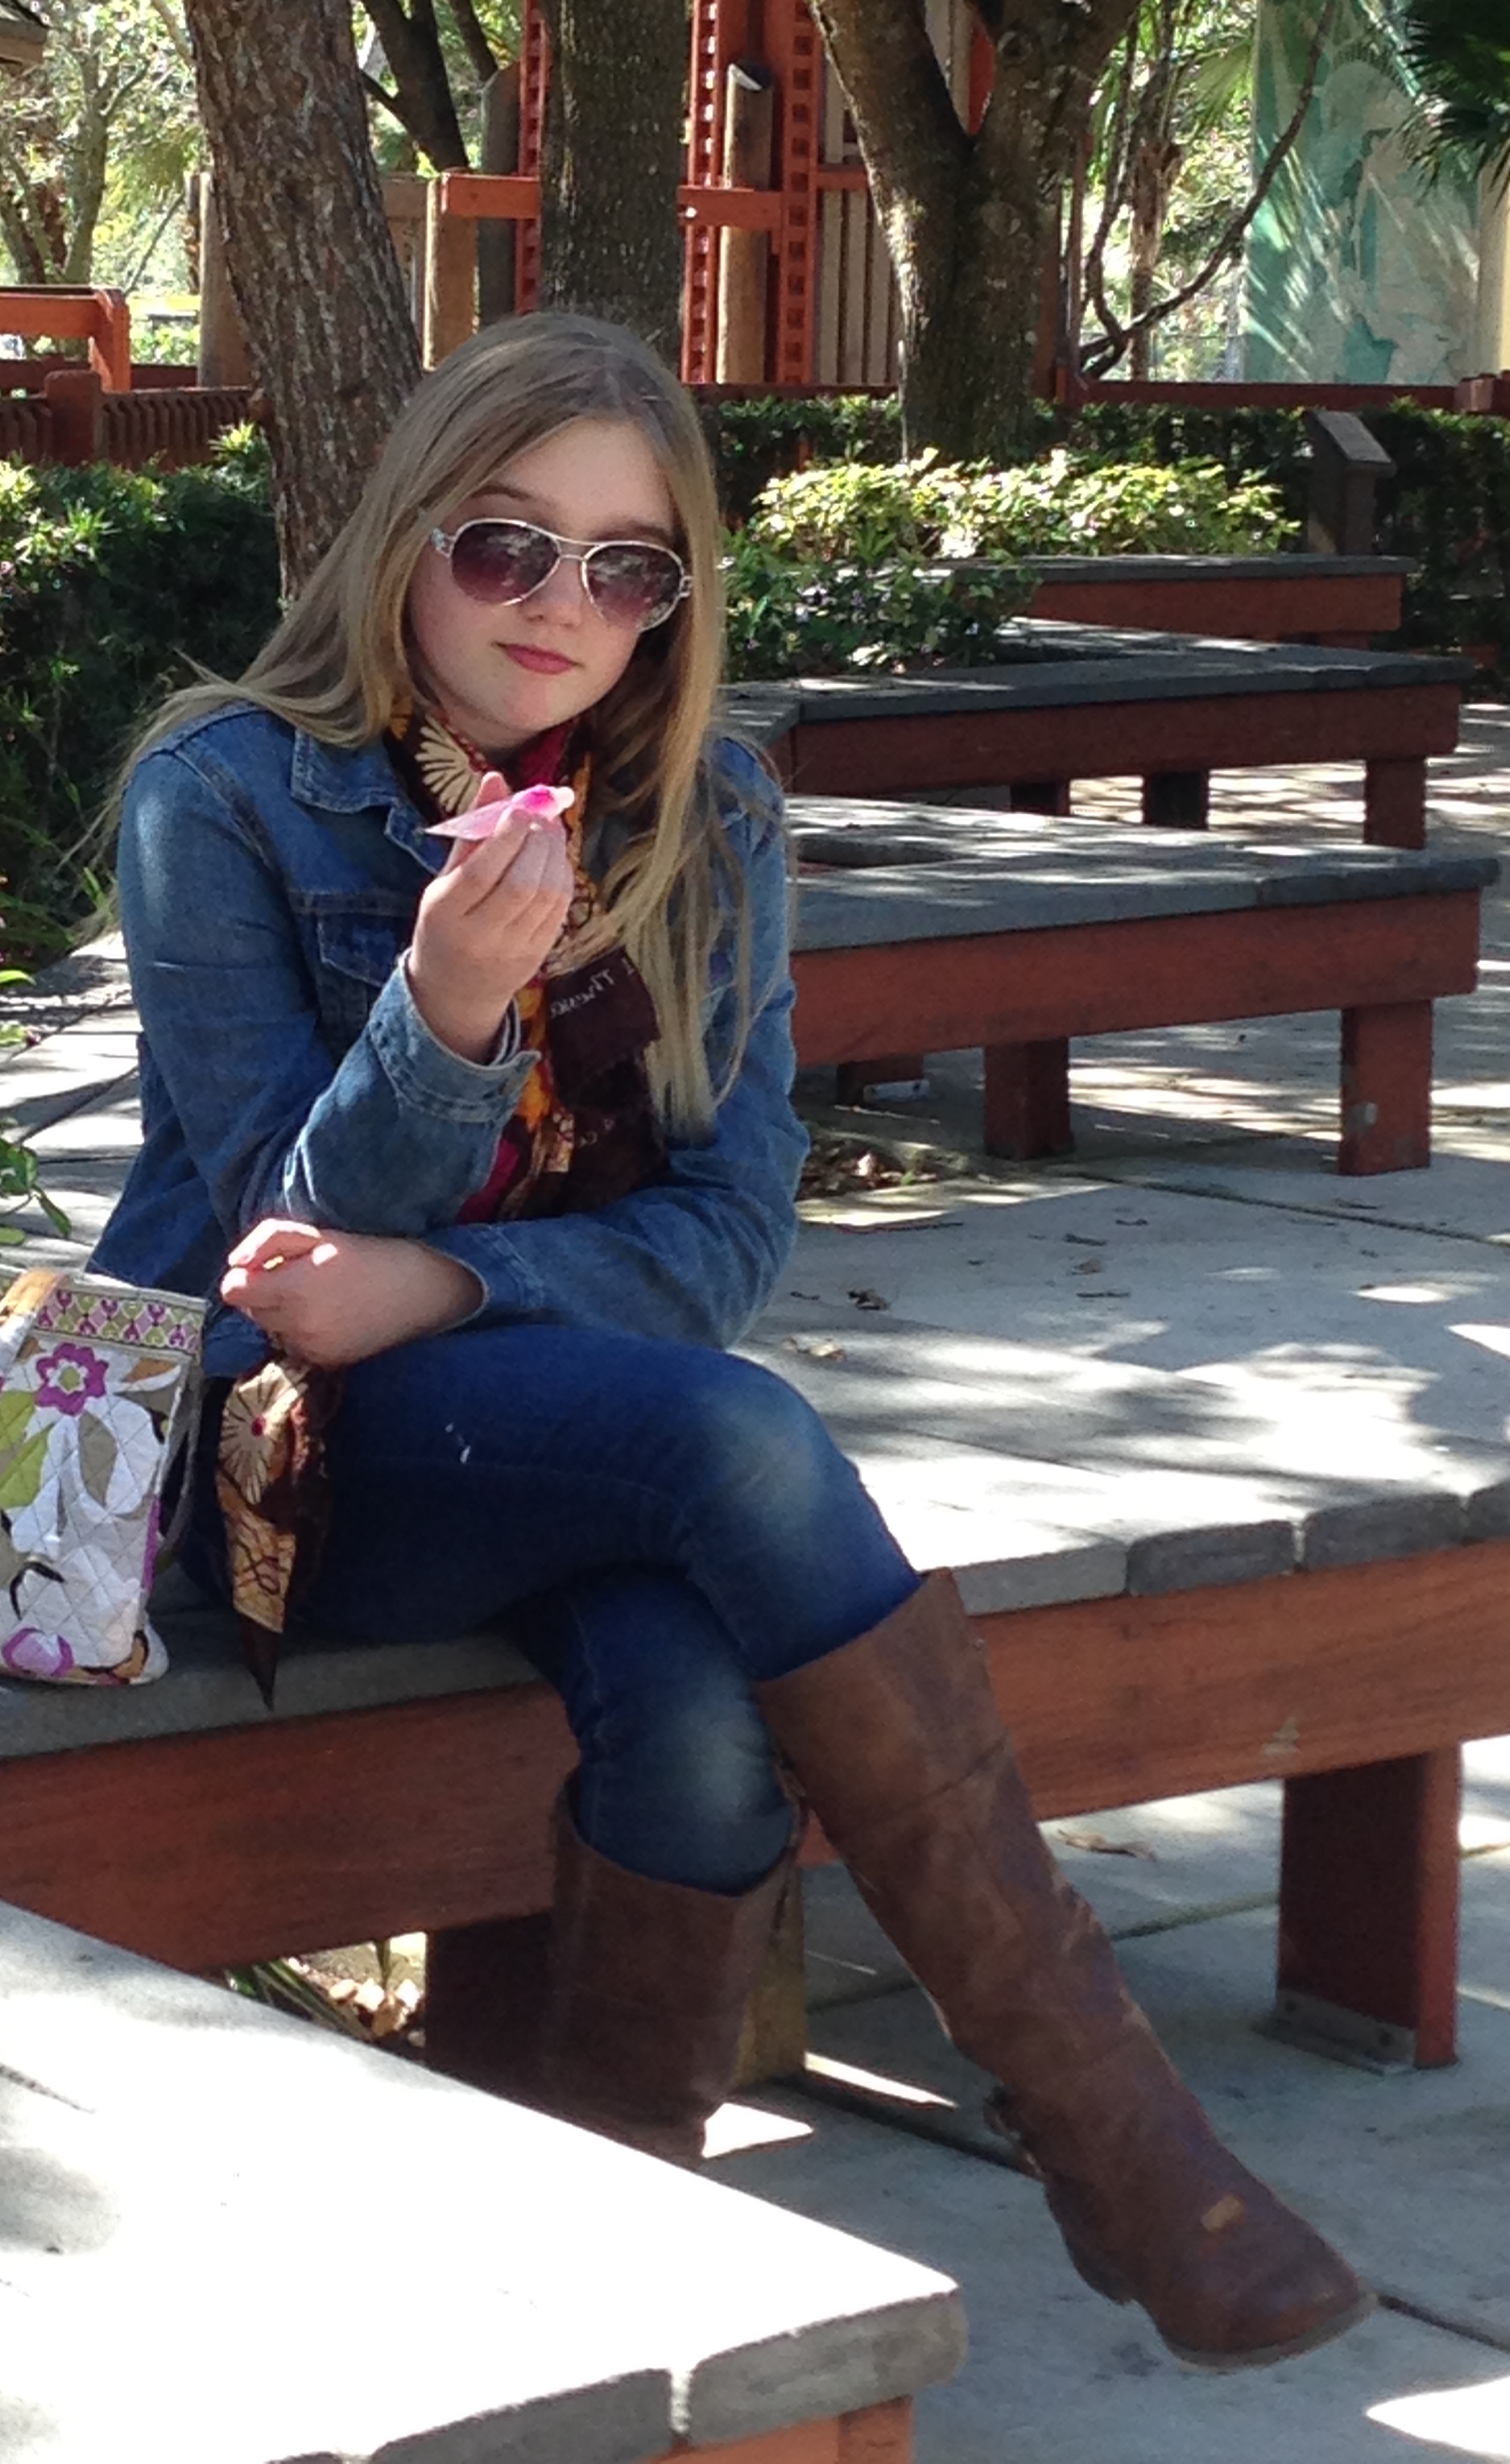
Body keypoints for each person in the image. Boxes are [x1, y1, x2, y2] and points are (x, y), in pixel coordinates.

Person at [92, 312, 1369, 2370]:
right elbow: (280, 1243)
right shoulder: (227, 790)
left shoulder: (714, 816)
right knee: (739, 1441)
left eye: (628, 567)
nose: (560, 605)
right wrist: (445, 1010)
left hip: (564, 1435)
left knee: (695, 1720)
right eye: (507, 544)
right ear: (409, 532)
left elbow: (730, 1229)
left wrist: (456, 1289)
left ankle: (573, 2293)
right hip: (273, 1463)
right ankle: (1121, 2140)